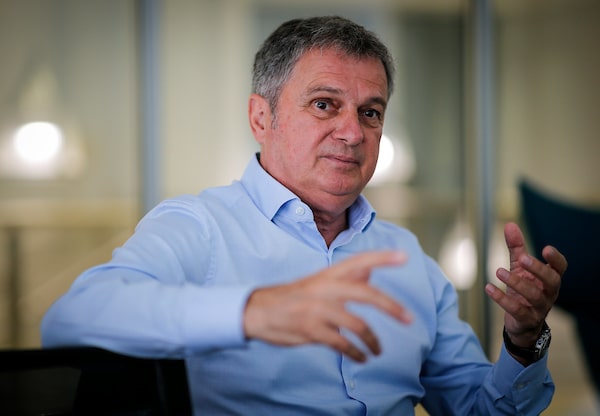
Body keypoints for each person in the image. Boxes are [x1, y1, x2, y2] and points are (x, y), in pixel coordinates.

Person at [41, 16, 567, 415]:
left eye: (370, 112)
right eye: (323, 104)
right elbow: (72, 319)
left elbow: (482, 409)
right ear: (261, 117)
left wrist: (523, 341)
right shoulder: (199, 226)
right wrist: (253, 312)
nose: (353, 132)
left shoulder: (406, 256)